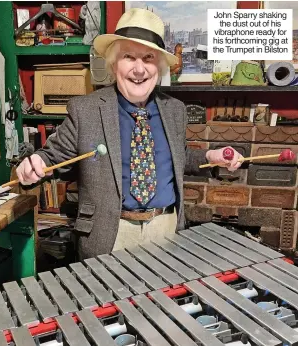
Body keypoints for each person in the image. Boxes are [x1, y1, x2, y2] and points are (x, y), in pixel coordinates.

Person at [16, 8, 243, 260]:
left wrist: (212, 155)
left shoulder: (175, 110)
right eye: (128, 57)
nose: (139, 69)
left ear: (159, 66)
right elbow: (52, 156)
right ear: (114, 64)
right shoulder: (87, 110)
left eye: (148, 58)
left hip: (166, 228)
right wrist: (36, 164)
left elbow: (179, 158)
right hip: (109, 233)